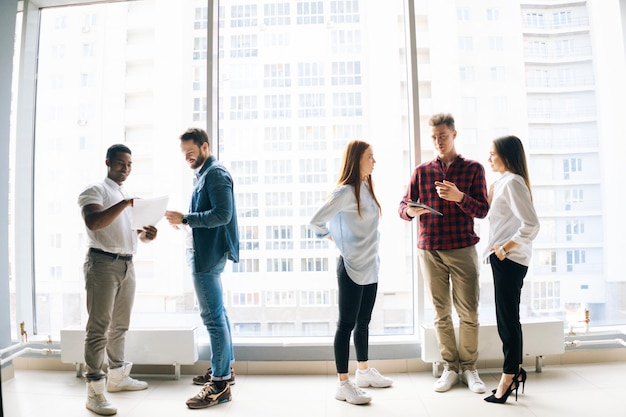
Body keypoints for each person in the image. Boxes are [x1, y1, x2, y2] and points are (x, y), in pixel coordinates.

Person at [398, 113, 489, 394]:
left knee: (469, 312)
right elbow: (402, 207)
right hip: (430, 249)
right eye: (434, 137)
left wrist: (460, 197)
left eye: (443, 136)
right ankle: (450, 367)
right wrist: (411, 211)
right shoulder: (422, 171)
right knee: (441, 313)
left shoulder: (474, 169)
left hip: (462, 247)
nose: (438, 141)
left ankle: (470, 368)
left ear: (454, 135)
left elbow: (483, 210)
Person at [310, 140, 393, 406]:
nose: (374, 161)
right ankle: (343, 384)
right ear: (356, 160)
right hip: (351, 266)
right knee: (346, 324)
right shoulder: (344, 192)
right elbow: (315, 222)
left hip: (371, 264)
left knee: (364, 321)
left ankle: (364, 371)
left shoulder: (367, 186)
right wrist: (333, 238)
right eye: (370, 157)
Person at [78, 144, 158, 416]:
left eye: (129, 165)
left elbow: (136, 235)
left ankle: (117, 378)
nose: (125, 169)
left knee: (120, 326)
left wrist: (149, 234)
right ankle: (94, 393)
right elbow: (94, 222)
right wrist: (124, 204)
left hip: (127, 264)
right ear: (108, 162)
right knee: (98, 328)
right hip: (102, 264)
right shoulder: (96, 190)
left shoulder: (125, 194)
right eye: (121, 163)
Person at [164, 127, 239, 410]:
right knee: (218, 314)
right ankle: (225, 371)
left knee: (212, 318)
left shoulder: (215, 173)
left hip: (206, 255)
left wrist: (186, 218)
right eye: (184, 155)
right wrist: (184, 222)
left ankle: (219, 384)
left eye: (191, 153)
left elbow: (223, 214)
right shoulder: (205, 174)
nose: (188, 159)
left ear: (205, 147)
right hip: (204, 249)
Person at [483, 136, 540, 404]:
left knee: (508, 321)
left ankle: (509, 377)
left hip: (510, 259)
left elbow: (531, 225)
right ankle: (513, 371)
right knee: (507, 319)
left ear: (506, 155)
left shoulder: (514, 182)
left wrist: (504, 249)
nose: (489, 158)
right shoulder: (505, 182)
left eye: (493, 153)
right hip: (504, 259)